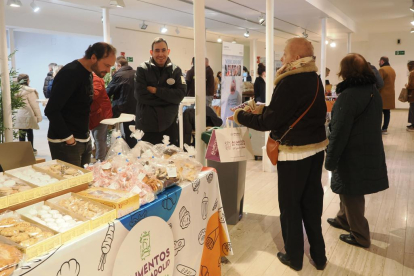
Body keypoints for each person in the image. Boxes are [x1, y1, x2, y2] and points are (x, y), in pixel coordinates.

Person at [231, 38, 327, 271]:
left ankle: (294, 257)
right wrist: (265, 111)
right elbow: (295, 112)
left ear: (295, 58)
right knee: (312, 203)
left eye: (284, 54)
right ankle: (319, 255)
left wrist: (241, 116)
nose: (281, 58)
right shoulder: (314, 79)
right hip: (316, 150)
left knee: (290, 205)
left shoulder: (289, 80)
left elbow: (270, 121)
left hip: (293, 153)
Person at [325, 53, 389, 248]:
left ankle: (360, 235)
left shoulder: (349, 95)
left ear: (345, 72)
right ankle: (343, 219)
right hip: (367, 147)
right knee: (347, 189)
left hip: (352, 152)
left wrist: (330, 159)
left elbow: (339, 132)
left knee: (351, 192)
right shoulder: (372, 89)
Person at [45, 42, 117, 167]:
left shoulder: (88, 73)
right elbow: (51, 110)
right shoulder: (70, 73)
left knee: (85, 182)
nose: (108, 70)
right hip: (65, 142)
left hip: (82, 139)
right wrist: (69, 139)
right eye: (106, 65)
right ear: (94, 57)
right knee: (72, 183)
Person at [135, 37, 186, 146]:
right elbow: (141, 96)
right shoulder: (142, 69)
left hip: (169, 125)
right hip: (146, 126)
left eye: (163, 50)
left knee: (170, 160)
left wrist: (156, 91)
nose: (160, 54)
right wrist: (170, 99)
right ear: (151, 52)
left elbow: (180, 95)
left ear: (168, 51)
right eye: (157, 50)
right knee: (146, 160)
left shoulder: (176, 71)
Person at [106, 56, 137, 147]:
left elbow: (108, 92)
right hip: (137, 110)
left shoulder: (119, 75)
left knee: (122, 135)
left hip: (122, 110)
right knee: (133, 134)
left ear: (119, 65)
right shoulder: (137, 73)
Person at [14, 74, 42, 154]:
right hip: (28, 114)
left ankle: (22, 150)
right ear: (27, 80)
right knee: (29, 131)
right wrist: (39, 116)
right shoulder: (29, 91)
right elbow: (34, 105)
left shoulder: (14, 90)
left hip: (18, 114)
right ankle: (30, 149)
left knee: (21, 132)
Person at [90, 72, 113, 161]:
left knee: (99, 139)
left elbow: (94, 94)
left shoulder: (95, 79)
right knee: (97, 139)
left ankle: (100, 162)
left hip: (101, 114)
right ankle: (99, 160)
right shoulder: (91, 78)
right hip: (94, 114)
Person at [378, 56, 396, 134]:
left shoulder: (382, 69)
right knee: (387, 112)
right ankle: (385, 128)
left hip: (382, 94)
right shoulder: (392, 70)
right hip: (390, 94)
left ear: (382, 61)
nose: (379, 62)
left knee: (379, 112)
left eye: (379, 61)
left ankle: (377, 128)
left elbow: (379, 83)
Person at [406, 61, 414, 131]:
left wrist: (407, 86)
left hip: (413, 95)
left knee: (412, 109)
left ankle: (413, 126)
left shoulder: (412, 73)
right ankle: (412, 124)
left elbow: (412, 85)